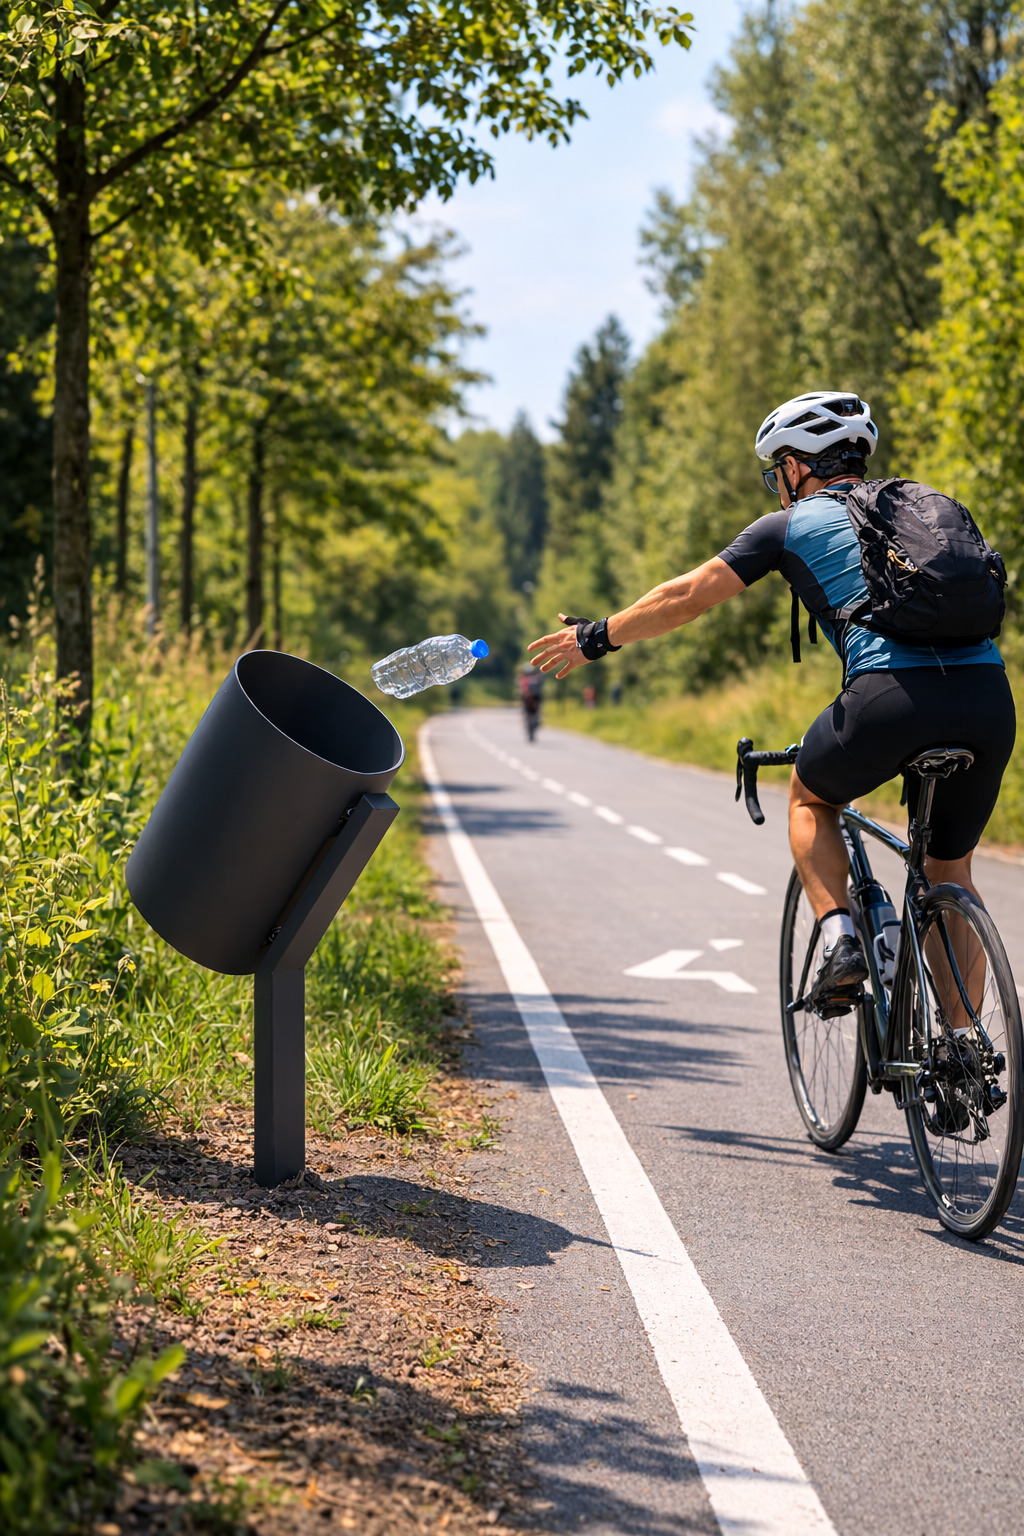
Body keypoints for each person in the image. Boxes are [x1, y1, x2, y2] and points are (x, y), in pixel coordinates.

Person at [528, 391, 1015, 1012]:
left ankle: (840, 937)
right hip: (988, 702)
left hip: (892, 699)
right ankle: (962, 1056)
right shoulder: (926, 508)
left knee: (812, 795)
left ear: (794, 466)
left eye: (776, 471)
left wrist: (595, 637)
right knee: (951, 871)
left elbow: (691, 595)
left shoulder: (791, 524)